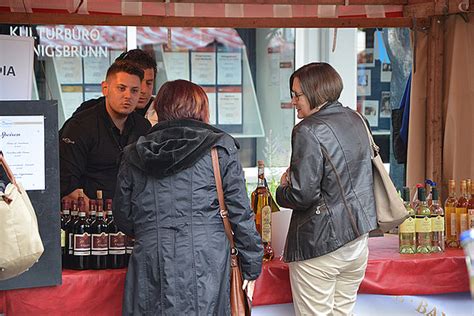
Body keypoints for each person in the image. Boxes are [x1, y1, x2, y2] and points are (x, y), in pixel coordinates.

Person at [113, 79, 263, 315]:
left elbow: (123, 217)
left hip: (150, 257)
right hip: (207, 257)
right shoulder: (219, 147)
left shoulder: (134, 153)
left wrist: (154, 229)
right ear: (201, 109)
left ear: (160, 109)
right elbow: (240, 213)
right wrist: (252, 264)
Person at [276, 62, 377, 316]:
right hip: (357, 240)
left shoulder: (307, 130)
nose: (293, 101)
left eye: (297, 95)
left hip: (320, 244)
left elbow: (303, 194)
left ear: (315, 92)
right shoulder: (356, 118)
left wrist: (283, 188)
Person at [60, 60, 151, 204]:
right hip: (90, 217)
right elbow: (67, 186)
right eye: (121, 88)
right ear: (105, 88)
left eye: (134, 90)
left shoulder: (143, 128)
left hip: (134, 214)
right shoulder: (80, 126)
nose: (128, 96)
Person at [71, 49, 158, 125]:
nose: (143, 90)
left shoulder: (162, 112)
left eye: (149, 83)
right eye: (122, 88)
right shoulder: (86, 114)